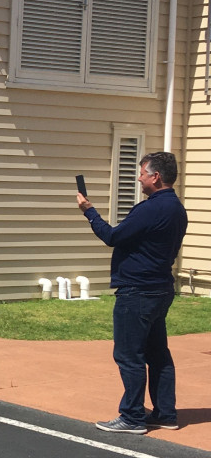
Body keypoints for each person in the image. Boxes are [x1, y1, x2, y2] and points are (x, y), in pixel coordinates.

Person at [78, 151, 187, 434]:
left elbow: (113, 236)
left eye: (142, 173)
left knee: (130, 355)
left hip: (137, 291)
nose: (139, 178)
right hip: (161, 288)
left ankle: (133, 416)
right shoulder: (177, 208)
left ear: (156, 176)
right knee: (158, 354)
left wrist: (90, 212)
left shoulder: (149, 209)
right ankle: (165, 413)